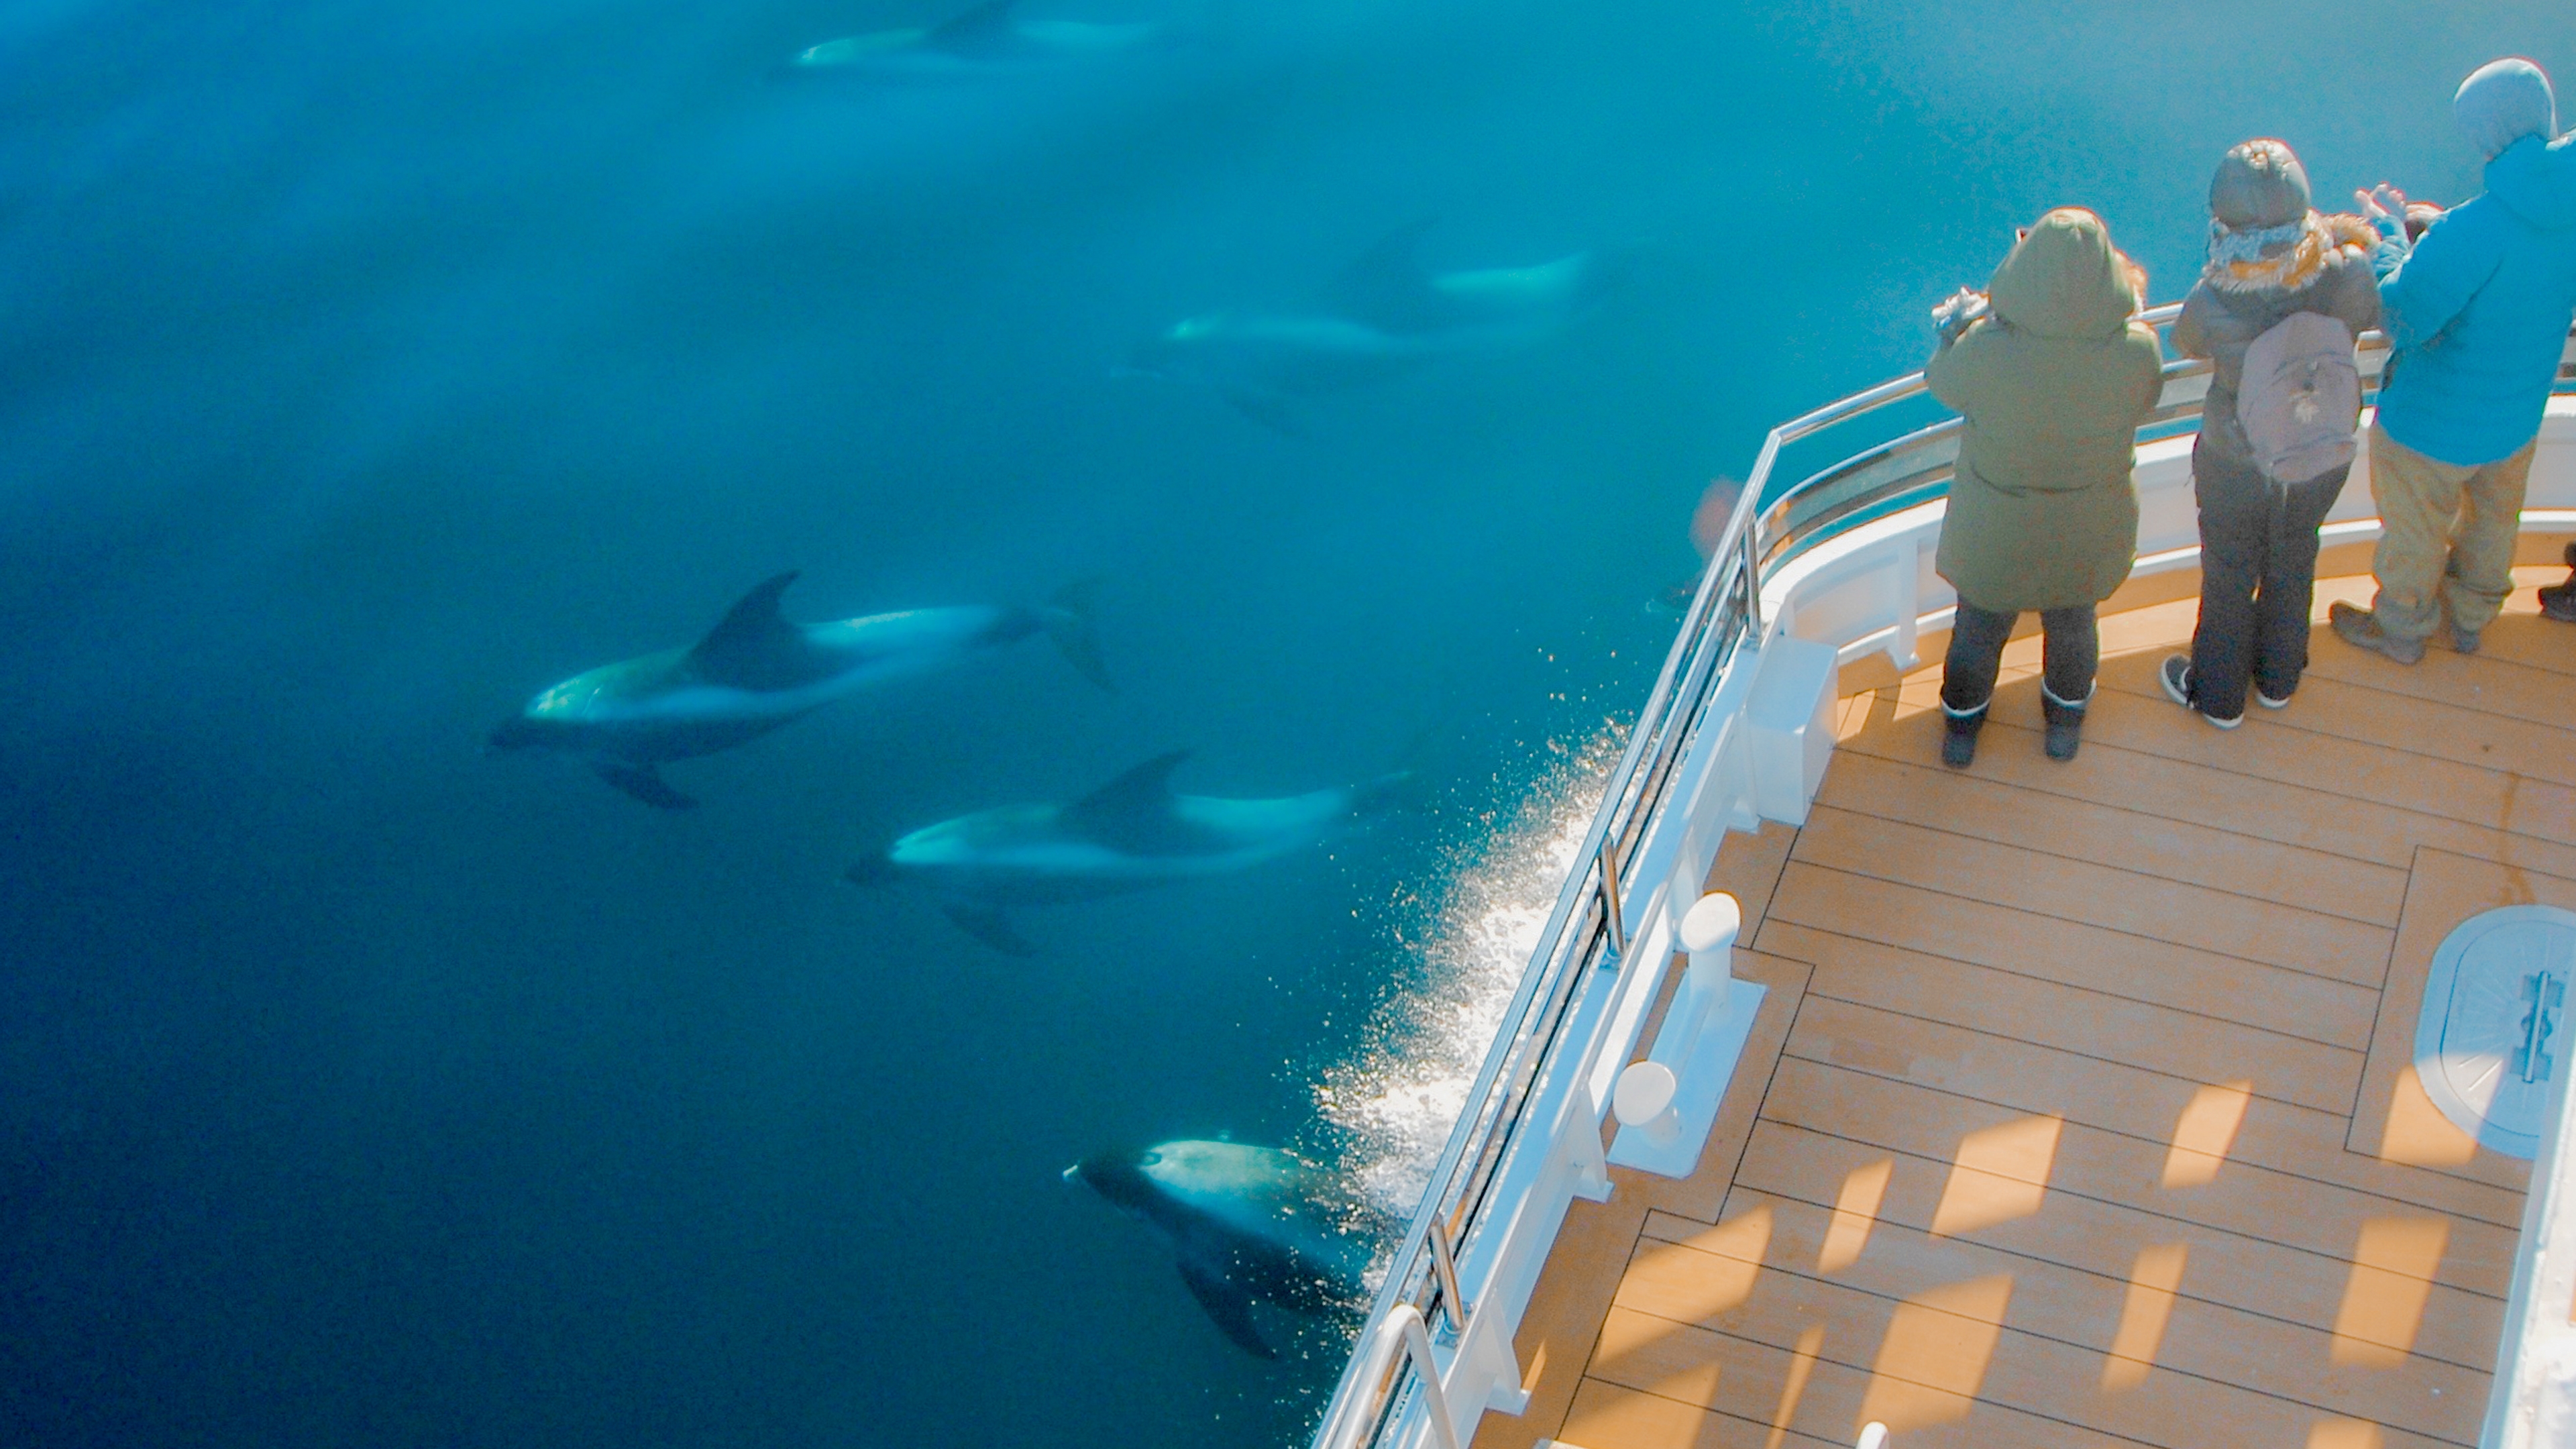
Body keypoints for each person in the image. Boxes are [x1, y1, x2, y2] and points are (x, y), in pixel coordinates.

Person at [2330, 57, 2576, 659]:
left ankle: (2404, 630)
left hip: (2431, 428)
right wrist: (2436, 231)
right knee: (2493, 524)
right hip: (2515, 418)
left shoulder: (2474, 228)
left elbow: (2404, 317)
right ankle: (2471, 618)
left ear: (2486, 135)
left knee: (2415, 533)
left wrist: (2391, 244)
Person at [1927, 209, 2164, 767]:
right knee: (2074, 620)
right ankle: (2064, 725)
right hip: (2087, 528)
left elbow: (1941, 384)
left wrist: (1953, 334)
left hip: (1996, 532)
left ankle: (1962, 733)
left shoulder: (1986, 347)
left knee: (1979, 629)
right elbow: (2146, 398)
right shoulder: (2137, 348)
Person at [2160, 140, 2380, 726]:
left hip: (2238, 457)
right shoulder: (2349, 270)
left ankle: (2220, 697)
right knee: (2294, 554)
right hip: (2319, 445)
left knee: (2230, 571)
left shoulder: (2212, 298)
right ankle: (2279, 680)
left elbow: (2185, 343)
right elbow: (2363, 312)